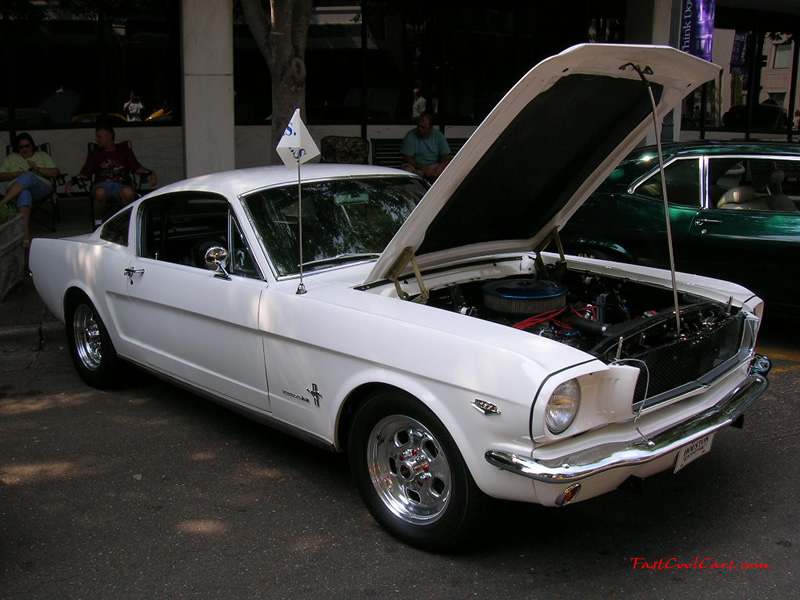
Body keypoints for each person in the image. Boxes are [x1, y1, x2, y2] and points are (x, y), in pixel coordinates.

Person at [66, 126, 157, 228]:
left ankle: (126, 223)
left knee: (128, 192)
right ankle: (98, 224)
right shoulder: (95, 153)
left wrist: (150, 173)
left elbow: (136, 167)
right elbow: (86, 172)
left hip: (122, 184)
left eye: (99, 137)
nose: (96, 139)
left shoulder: (124, 150)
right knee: (100, 193)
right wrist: (72, 182)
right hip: (102, 185)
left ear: (108, 137)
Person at [0, 132, 61, 247]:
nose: (24, 149)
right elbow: (1, 176)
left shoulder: (42, 155)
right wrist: (16, 174)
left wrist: (37, 169)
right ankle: (26, 236)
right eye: (21, 147)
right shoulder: (12, 158)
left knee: (28, 176)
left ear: (32, 145)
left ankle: (3, 202)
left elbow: (56, 173)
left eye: (27, 146)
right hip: (17, 191)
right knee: (24, 193)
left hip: (40, 188)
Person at [400, 113, 452, 181]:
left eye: (423, 127)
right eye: (418, 126)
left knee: (447, 172)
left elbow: (446, 156)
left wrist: (440, 167)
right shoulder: (411, 135)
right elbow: (408, 158)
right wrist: (424, 168)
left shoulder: (438, 135)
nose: (420, 129)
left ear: (431, 128)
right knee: (407, 170)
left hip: (434, 166)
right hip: (416, 166)